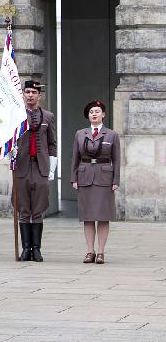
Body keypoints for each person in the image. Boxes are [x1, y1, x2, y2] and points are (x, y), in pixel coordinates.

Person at [71, 100, 119, 264]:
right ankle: (89, 251)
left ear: (103, 114)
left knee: (103, 216)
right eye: (91, 111)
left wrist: (116, 180)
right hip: (85, 176)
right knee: (88, 216)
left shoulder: (111, 135)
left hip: (104, 177)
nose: (94, 114)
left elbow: (117, 160)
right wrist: (74, 177)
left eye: (97, 111)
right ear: (88, 115)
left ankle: (100, 252)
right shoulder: (80, 134)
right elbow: (75, 158)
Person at [13, 80, 57, 262]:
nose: (30, 95)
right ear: (23, 94)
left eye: (34, 92)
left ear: (40, 95)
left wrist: (52, 168)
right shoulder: (15, 115)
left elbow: (52, 144)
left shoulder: (48, 116)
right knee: (23, 208)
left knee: (38, 208)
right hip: (22, 166)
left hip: (40, 166)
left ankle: (36, 249)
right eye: (27, 92)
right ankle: (25, 249)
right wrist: (11, 152)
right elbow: (9, 139)